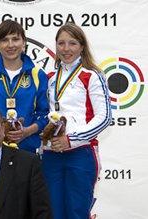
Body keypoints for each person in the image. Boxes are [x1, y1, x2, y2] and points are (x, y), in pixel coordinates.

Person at [42, 22, 112, 219]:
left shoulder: (92, 75)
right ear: (55, 46)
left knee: (77, 213)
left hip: (80, 153)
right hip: (51, 154)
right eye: (61, 43)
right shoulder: (49, 77)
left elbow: (105, 117)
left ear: (82, 46)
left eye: (72, 43)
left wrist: (71, 139)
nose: (66, 49)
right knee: (53, 213)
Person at [0, 20, 49, 153]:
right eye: (5, 40)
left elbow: (45, 114)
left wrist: (27, 131)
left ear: (23, 43)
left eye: (15, 39)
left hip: (27, 148)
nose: (10, 45)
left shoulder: (37, 74)